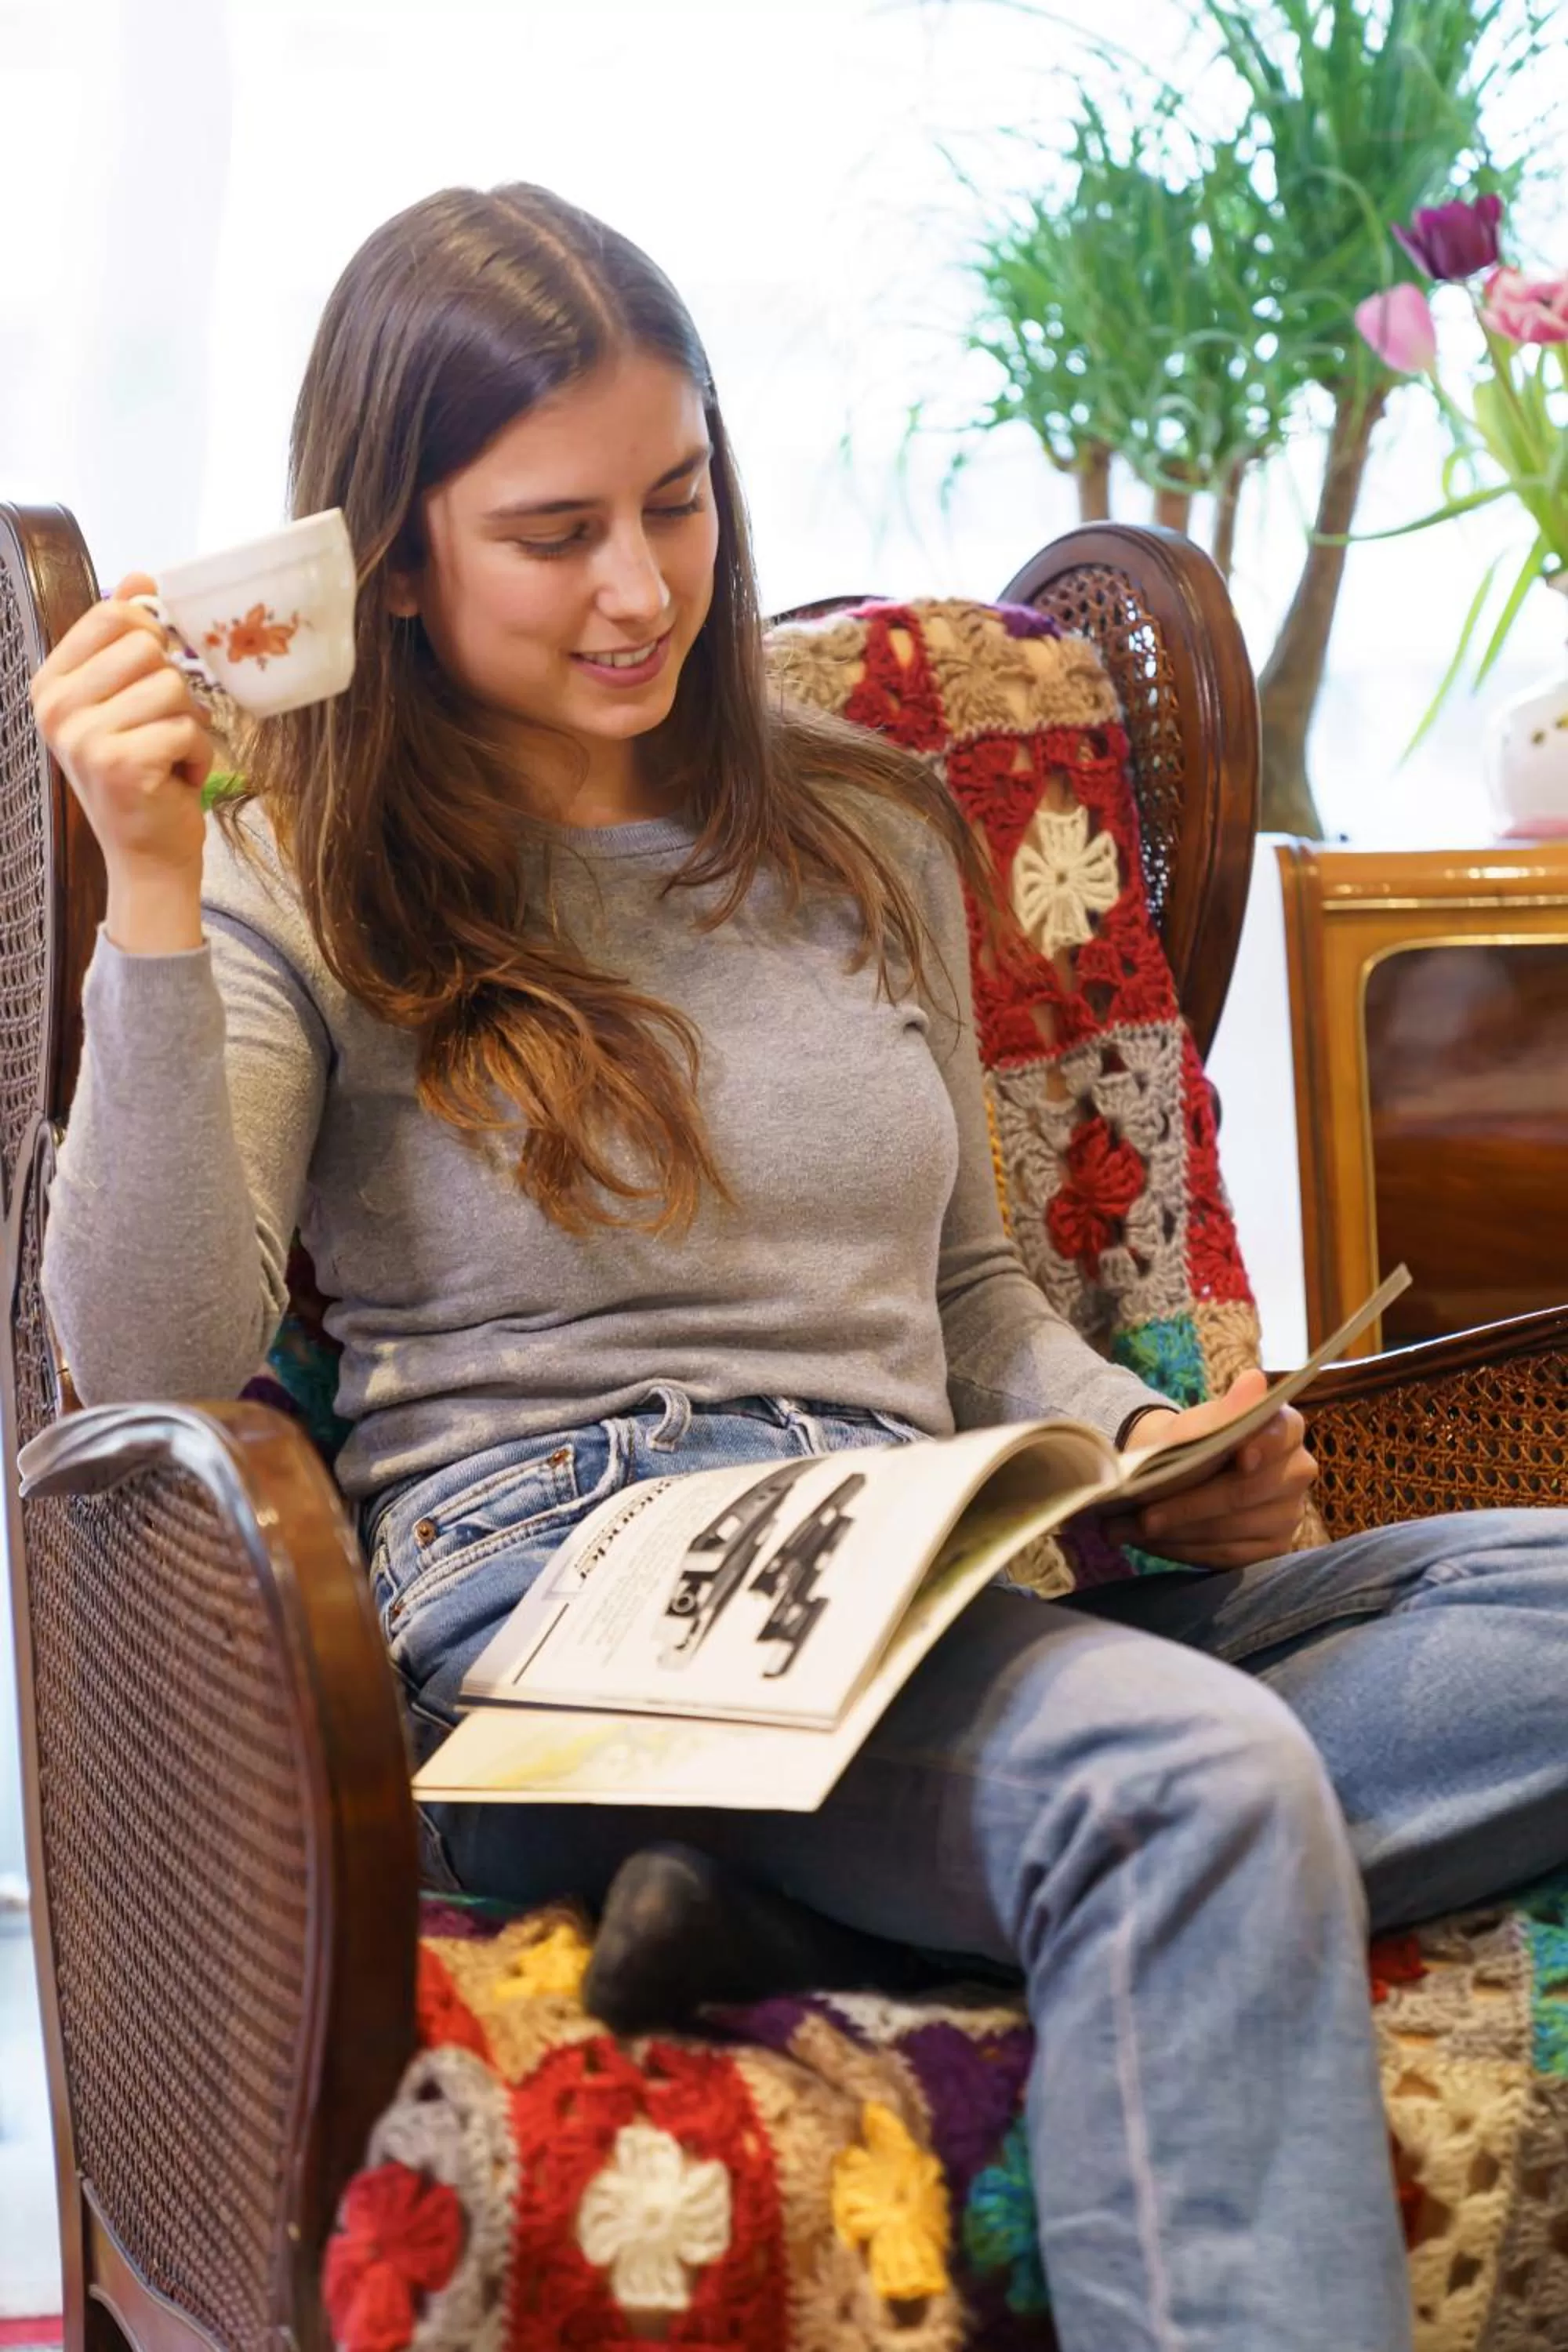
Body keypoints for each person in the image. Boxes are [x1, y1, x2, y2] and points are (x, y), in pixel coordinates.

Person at [29, 183, 1568, 2352]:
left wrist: (1141, 1437)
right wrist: (157, 893)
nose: (644, 586)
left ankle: (778, 1901)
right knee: (1182, 1785)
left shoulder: (862, 822)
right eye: (555, 532)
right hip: (570, 1623)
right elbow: (151, 1358)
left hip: (923, 1573)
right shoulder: (298, 863)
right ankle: (914, 1850)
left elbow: (971, 1311)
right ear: (396, 550)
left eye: (677, 502)